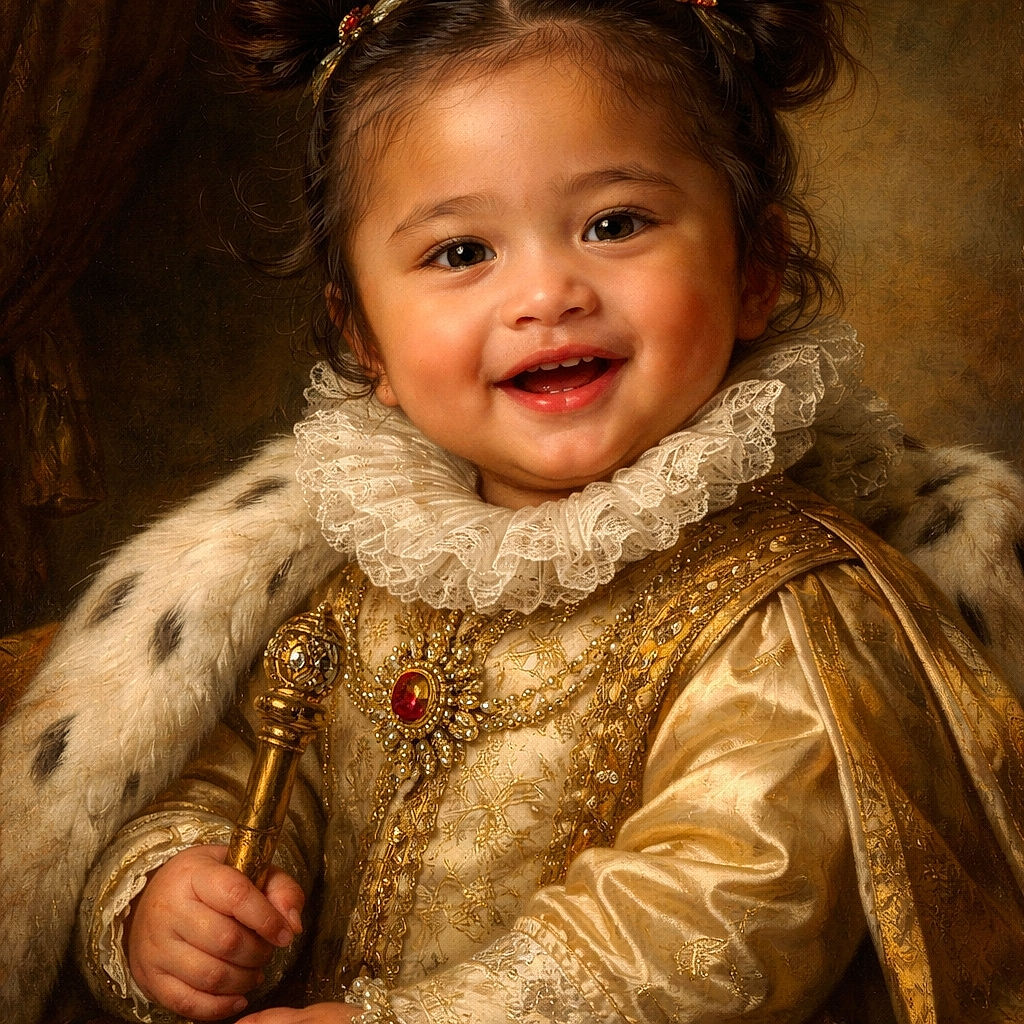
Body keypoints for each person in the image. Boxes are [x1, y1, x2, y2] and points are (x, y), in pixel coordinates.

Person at [3, 0, 1024, 1022]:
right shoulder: (364, 569)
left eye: (614, 224)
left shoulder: (790, 608)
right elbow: (245, 767)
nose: (545, 293)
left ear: (753, 268)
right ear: (362, 336)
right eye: (459, 253)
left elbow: (720, 908)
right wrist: (174, 890)